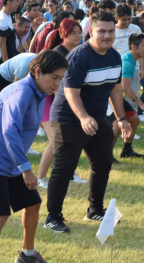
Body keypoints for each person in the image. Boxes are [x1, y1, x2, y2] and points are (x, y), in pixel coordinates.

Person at [0, 50, 68, 263]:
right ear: (38, 71)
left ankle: (27, 255)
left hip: (13, 160)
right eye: (54, 78)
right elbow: (9, 132)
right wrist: (26, 170)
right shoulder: (22, 92)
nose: (57, 84)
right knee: (0, 215)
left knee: (32, 204)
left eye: (60, 79)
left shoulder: (40, 92)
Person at [45, 11, 132, 233]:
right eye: (101, 31)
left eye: (111, 31)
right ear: (90, 31)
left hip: (97, 119)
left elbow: (115, 88)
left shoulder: (114, 56)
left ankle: (95, 210)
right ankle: (53, 217)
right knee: (64, 169)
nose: (107, 35)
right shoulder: (79, 56)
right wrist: (83, 117)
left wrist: (121, 119)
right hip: (68, 118)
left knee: (103, 164)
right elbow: (70, 92)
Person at [37, 19, 86, 189]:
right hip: (49, 101)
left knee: (67, 141)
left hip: (63, 101)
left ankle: (69, 173)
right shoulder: (59, 52)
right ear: (63, 34)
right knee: (55, 141)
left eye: (80, 33)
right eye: (74, 33)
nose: (78, 36)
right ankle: (40, 178)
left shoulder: (75, 51)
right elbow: (53, 83)